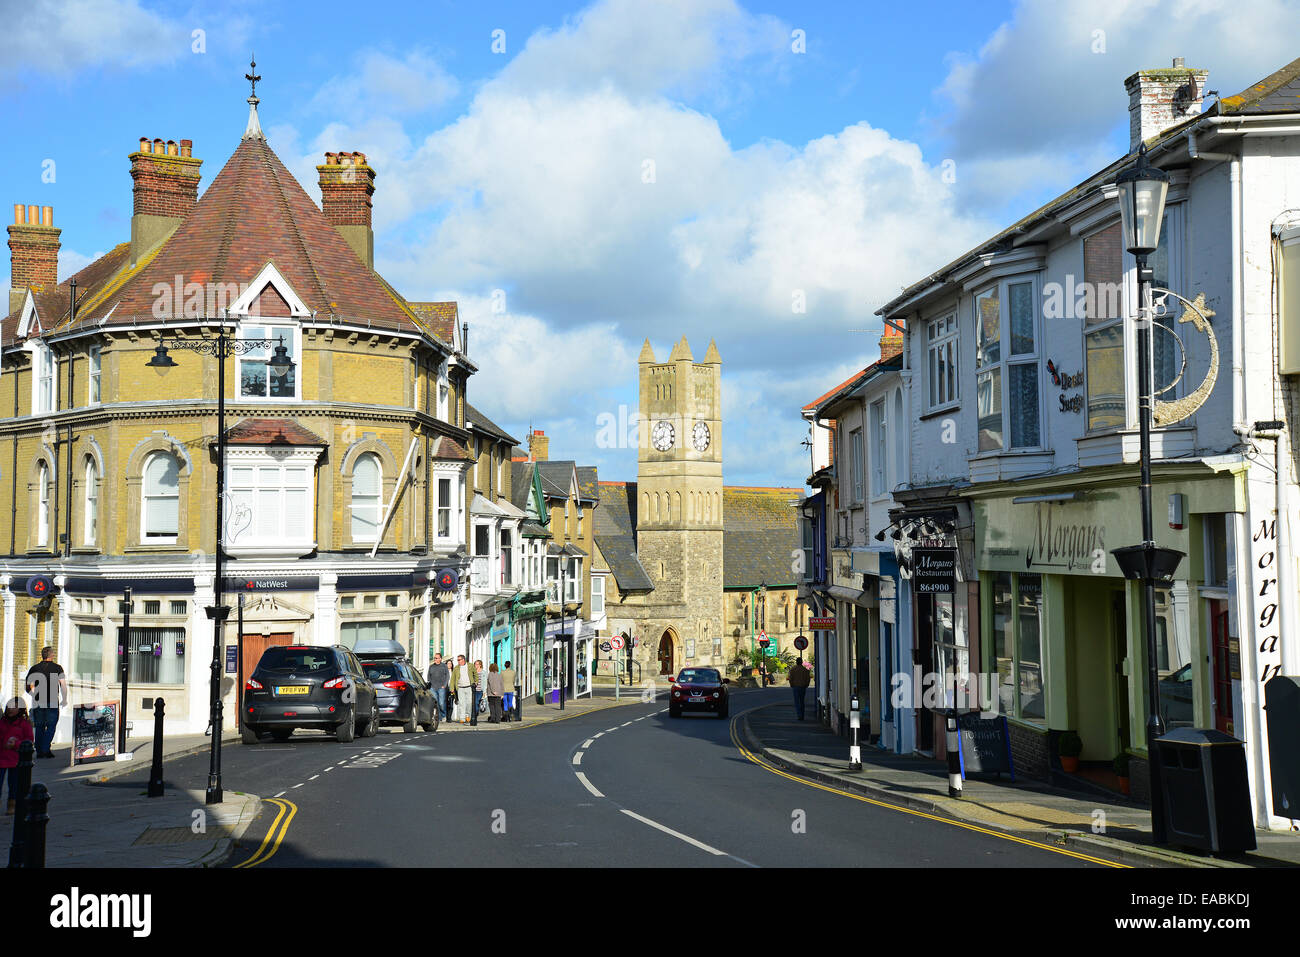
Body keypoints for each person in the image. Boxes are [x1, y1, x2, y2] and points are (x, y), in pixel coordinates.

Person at [25, 646, 67, 758]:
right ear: (51, 655)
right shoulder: (58, 668)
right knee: (51, 726)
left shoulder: (34, 668)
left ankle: (39, 751)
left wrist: (35, 695)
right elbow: (63, 684)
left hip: (38, 701)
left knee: (39, 726)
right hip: (53, 701)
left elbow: (28, 686)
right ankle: (45, 749)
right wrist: (65, 698)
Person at [1, 697, 34, 815]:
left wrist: (16, 744)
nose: (11, 709)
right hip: (1, 758)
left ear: (20, 709)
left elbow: (29, 742)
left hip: (15, 759)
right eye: (9, 706)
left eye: (14, 707)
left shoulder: (24, 724)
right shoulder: (2, 722)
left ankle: (12, 804)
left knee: (14, 784)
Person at [449, 656, 477, 724]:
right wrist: (452, 688)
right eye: (457, 660)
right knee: (461, 703)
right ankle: (462, 718)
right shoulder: (456, 668)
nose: (458, 661)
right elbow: (453, 679)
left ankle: (468, 715)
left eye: (459, 660)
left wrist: (476, 681)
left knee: (469, 702)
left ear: (463, 660)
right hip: (460, 687)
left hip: (469, 687)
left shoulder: (470, 666)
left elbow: (475, 674)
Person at [426, 653, 451, 722]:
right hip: (433, 688)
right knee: (436, 703)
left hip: (441, 687)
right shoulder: (431, 666)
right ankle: (439, 717)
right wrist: (430, 684)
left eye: (437, 658)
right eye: (435, 658)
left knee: (441, 703)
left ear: (440, 659)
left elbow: (447, 676)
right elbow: (428, 676)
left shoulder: (444, 666)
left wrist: (444, 685)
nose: (435, 659)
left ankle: (443, 716)